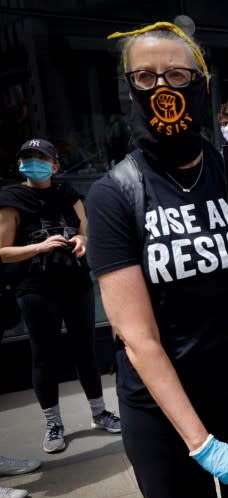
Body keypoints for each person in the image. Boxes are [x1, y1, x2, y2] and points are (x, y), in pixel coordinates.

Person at [86, 22, 228, 498]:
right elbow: (138, 338)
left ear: (201, 82)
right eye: (146, 77)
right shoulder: (114, 195)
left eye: (177, 74)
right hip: (164, 415)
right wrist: (201, 443)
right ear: (129, 89)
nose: (163, 88)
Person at [0, 138, 121, 455]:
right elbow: (2, 252)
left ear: (55, 165)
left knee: (86, 351)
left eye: (40, 158)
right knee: (44, 357)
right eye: (27, 158)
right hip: (36, 290)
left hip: (76, 283)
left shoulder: (67, 193)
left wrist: (82, 239)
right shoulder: (12, 198)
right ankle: (54, 424)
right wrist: (38, 247)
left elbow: (85, 228)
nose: (32, 163)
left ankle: (99, 413)